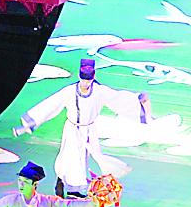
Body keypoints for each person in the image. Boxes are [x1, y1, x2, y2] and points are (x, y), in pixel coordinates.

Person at [15, 58, 148, 197]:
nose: (85, 83)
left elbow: (117, 98)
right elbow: (51, 105)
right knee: (71, 158)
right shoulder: (69, 91)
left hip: (89, 130)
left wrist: (138, 100)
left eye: (88, 80)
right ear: (79, 78)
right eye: (83, 80)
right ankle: (69, 187)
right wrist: (29, 123)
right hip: (72, 130)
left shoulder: (99, 91)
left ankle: (70, 185)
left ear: (93, 78)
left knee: (83, 159)